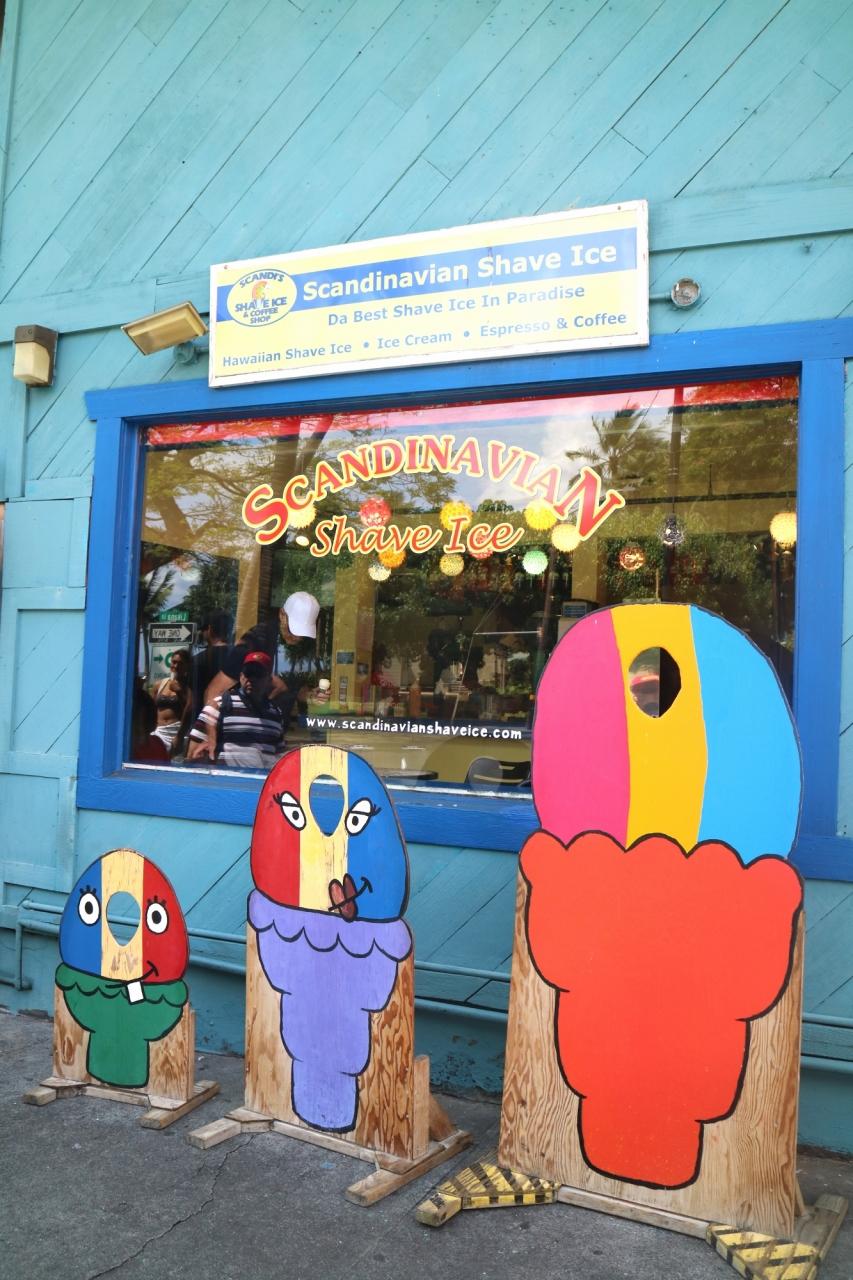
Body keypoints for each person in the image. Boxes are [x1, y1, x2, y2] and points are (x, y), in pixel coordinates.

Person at [203, 591, 321, 731]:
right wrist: (210, 735)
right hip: (245, 732)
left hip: (275, 732)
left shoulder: (300, 647)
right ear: (282, 614)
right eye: (294, 628)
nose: (298, 636)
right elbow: (214, 691)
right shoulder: (257, 640)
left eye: (303, 632)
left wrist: (311, 696)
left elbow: (294, 691)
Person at [186, 651, 284, 770]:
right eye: (248, 673)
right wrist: (201, 756)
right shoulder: (219, 705)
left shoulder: (276, 714)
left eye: (258, 674)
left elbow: (279, 756)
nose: (251, 679)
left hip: (263, 780)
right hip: (227, 780)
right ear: (241, 676)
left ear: (269, 680)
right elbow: (191, 754)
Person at [189, 609, 232, 721]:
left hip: (205, 721)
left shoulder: (198, 660)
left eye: (203, 629)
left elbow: (192, 701)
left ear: (209, 629)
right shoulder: (241, 656)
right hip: (233, 721)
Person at [149, 649, 191, 756]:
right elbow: (149, 707)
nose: (176, 666)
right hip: (158, 731)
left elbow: (189, 709)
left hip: (176, 732)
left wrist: (179, 692)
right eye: (174, 662)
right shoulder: (160, 684)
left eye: (180, 663)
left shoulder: (189, 687)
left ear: (187, 666)